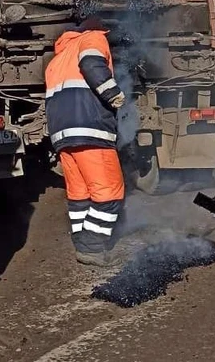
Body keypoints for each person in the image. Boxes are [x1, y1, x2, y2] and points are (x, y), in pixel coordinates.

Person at [44, 15, 127, 267]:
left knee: (80, 193)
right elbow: (92, 64)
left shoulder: (60, 55)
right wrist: (113, 93)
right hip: (90, 127)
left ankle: (82, 243)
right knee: (109, 192)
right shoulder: (93, 37)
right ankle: (92, 247)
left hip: (63, 134)